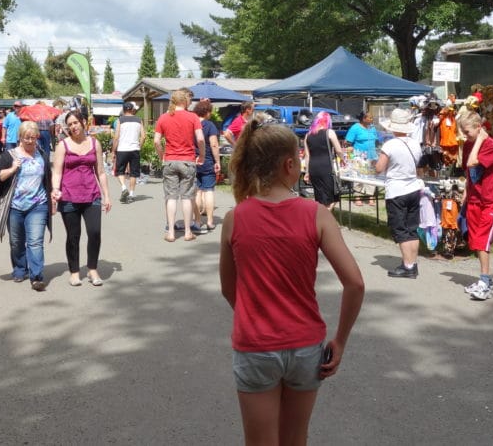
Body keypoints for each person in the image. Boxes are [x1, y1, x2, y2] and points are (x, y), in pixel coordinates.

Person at [219, 118, 364, 446]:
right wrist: (339, 341)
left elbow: (229, 288)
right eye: (299, 160)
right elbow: (355, 282)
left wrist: (253, 313)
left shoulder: (235, 218)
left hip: (255, 345)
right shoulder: (317, 214)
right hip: (305, 346)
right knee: (295, 438)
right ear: (288, 164)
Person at [0, 121, 53, 292]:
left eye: (34, 137)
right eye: (27, 138)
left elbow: (49, 179)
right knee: (17, 242)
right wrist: (11, 169)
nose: (31, 141)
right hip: (14, 206)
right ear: (20, 138)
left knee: (35, 241)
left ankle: (37, 276)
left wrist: (53, 198)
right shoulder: (10, 155)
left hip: (38, 205)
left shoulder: (42, 155)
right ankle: (20, 269)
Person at [52, 110, 111, 287]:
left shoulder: (95, 143)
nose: (73, 127)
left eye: (75, 123)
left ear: (83, 122)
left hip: (92, 195)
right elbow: (57, 171)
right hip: (69, 196)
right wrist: (55, 189)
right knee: (73, 236)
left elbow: (100, 172)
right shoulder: (63, 145)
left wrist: (106, 195)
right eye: (69, 124)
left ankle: (92, 269)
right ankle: (75, 272)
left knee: (94, 233)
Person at [455, 104, 493, 300]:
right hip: (474, 198)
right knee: (474, 240)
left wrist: (481, 139)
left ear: (478, 128)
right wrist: (466, 191)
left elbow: (473, 163)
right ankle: (485, 279)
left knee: (482, 241)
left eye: (467, 132)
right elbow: (468, 170)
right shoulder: (469, 144)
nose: (465, 137)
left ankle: (485, 281)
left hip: (489, 199)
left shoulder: (490, 145)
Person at [374, 108, 424, 278]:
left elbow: (379, 168)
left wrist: (378, 164)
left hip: (396, 190)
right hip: (413, 187)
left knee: (400, 228)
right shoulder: (415, 143)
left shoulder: (390, 145)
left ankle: (408, 266)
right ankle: (413, 263)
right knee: (412, 228)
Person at [154, 88, 205, 242]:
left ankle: (170, 232)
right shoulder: (193, 117)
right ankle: (188, 231)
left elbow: (156, 141)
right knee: (187, 197)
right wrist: (201, 155)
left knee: (170, 197)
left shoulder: (163, 117)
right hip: (188, 161)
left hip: (170, 160)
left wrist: (162, 156)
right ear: (185, 101)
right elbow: (201, 139)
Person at [303, 111, 344, 210]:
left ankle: (321, 219)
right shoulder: (329, 132)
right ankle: (320, 222)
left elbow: (307, 156)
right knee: (332, 197)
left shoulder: (308, 135)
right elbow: (338, 150)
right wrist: (342, 159)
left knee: (320, 197)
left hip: (313, 168)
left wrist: (307, 172)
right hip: (326, 167)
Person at [192, 99, 222, 232]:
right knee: (208, 191)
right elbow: (214, 144)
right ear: (207, 112)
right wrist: (218, 162)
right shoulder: (210, 125)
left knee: (197, 191)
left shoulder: (191, 124)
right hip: (208, 160)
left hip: (193, 161)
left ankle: (197, 221)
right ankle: (210, 221)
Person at [114, 101, 145, 204]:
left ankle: (124, 188)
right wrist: (139, 146)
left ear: (123, 110)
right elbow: (143, 136)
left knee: (119, 171)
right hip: (134, 149)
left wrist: (114, 149)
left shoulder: (120, 120)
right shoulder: (139, 120)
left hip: (122, 149)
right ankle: (131, 194)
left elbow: (116, 137)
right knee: (133, 173)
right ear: (132, 110)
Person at [345, 110, 379, 206]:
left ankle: (370, 197)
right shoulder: (355, 128)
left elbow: (375, 140)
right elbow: (347, 142)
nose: (372, 119)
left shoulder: (372, 128)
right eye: (370, 118)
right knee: (358, 177)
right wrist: (350, 154)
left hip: (372, 156)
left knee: (371, 177)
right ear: (363, 119)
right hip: (359, 157)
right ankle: (358, 197)